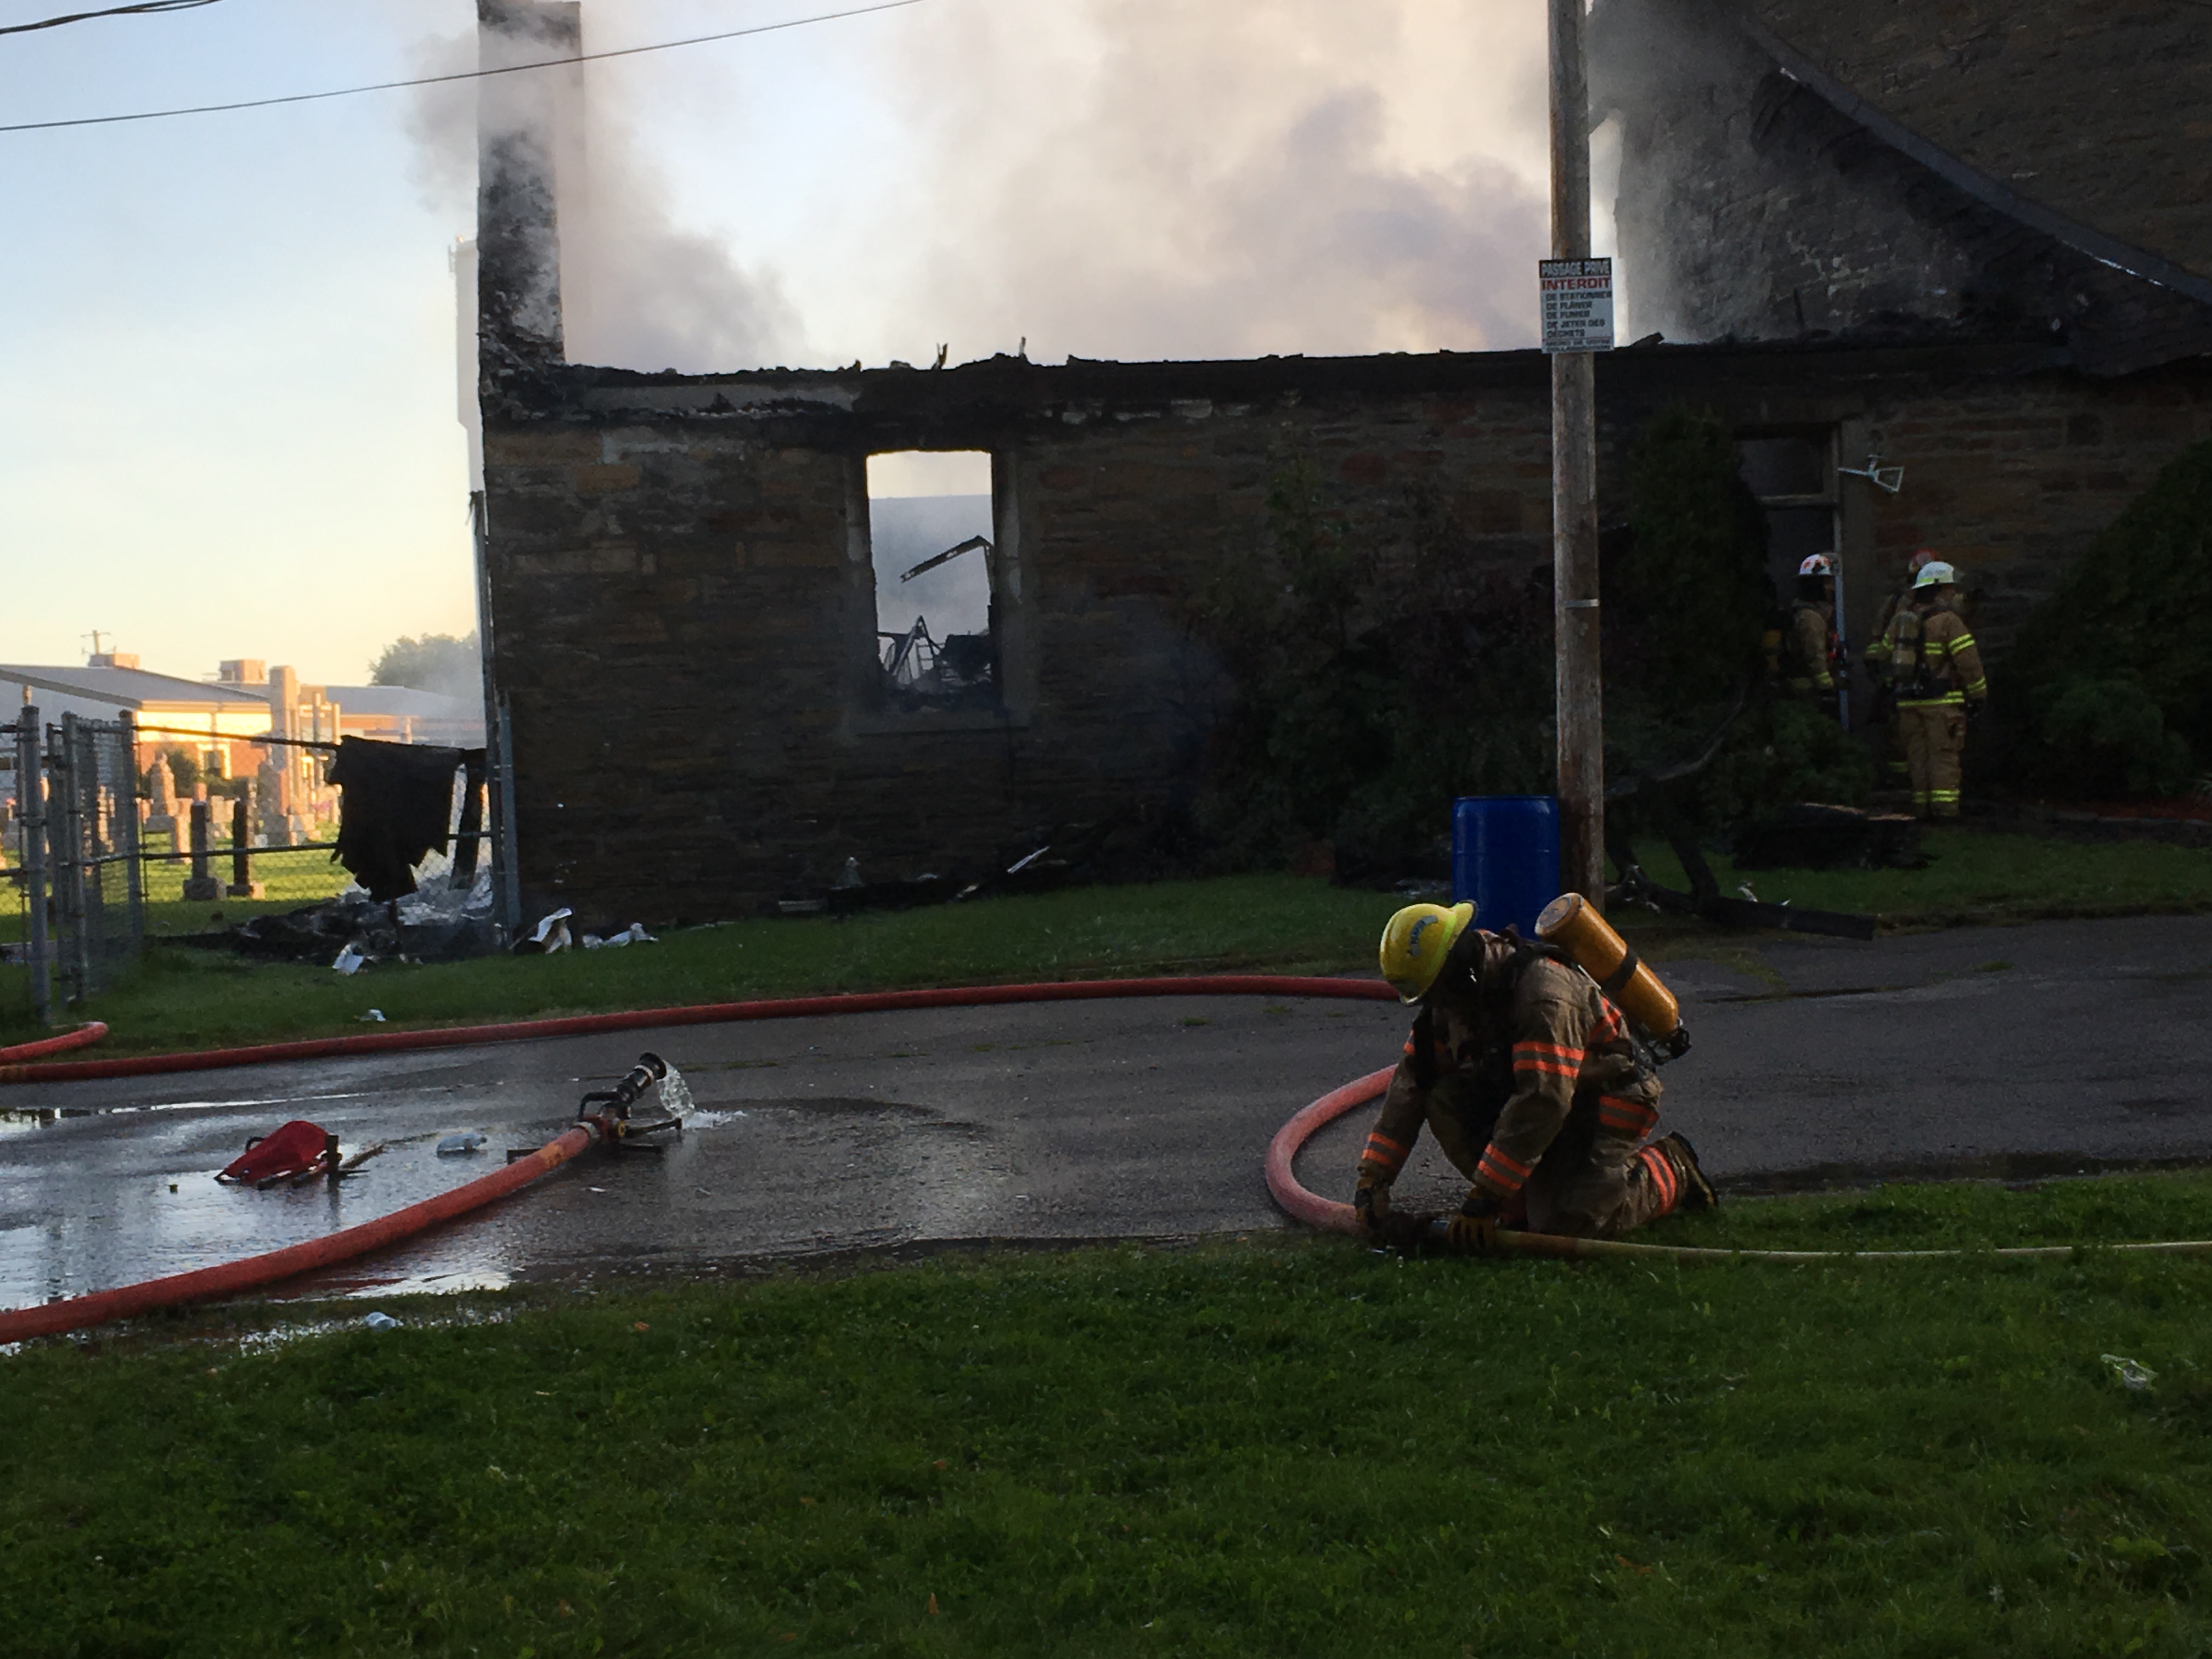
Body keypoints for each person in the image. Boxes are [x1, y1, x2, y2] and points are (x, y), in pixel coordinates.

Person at [1354, 901, 1714, 1248]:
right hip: (1543, 1098)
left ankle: (1672, 1167)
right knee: (1442, 1096)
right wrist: (1373, 1180)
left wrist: (1486, 1195)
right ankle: (1520, 1202)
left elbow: (1543, 1100)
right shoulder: (1456, 999)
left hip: (1608, 1097)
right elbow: (1410, 1087)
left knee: (1568, 1225)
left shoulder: (1543, 995)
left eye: (1438, 993)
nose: (1438, 1006)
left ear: (1462, 971)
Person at [1881, 560, 1987, 819]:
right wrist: (1979, 695)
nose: (1954, 593)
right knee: (1943, 756)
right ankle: (1945, 812)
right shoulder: (1949, 621)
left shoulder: (1901, 620)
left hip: (1907, 702)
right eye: (1950, 588)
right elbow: (1969, 663)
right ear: (1938, 589)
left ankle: (1921, 808)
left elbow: (1884, 654)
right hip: (1941, 703)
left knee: (1917, 757)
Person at [1865, 549, 1937, 789]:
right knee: (1899, 735)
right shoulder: (1896, 603)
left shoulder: (1944, 605)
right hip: (1898, 678)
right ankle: (1901, 783)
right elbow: (1879, 638)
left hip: (1932, 679)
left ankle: (1924, 783)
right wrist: (1879, 667)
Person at [1781, 553, 1842, 701]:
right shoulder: (1810, 618)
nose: (1833, 589)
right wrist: (1828, 687)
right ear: (1817, 586)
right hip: (1809, 693)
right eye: (1829, 582)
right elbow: (1815, 654)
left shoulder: (1820, 616)